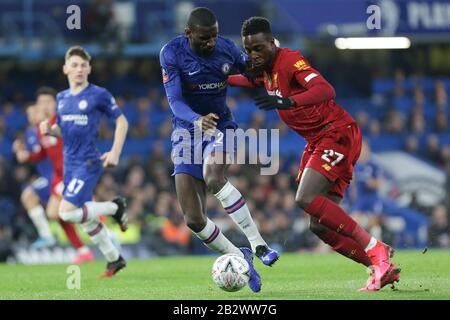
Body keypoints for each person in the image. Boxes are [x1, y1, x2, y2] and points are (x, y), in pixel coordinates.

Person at [228, 16, 400, 292]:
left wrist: (289, 101)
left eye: (259, 48)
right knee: (319, 225)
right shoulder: (267, 71)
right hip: (319, 140)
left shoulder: (289, 60)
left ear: (272, 43)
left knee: (305, 197)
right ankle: (379, 267)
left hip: (336, 133)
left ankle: (375, 246)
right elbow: (247, 81)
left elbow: (325, 89)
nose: (254, 54)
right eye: (249, 50)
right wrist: (217, 78)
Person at [159, 7, 279, 293]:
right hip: (187, 132)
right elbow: (174, 101)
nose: (211, 42)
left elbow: (253, 72)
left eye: (213, 36)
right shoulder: (171, 53)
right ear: (189, 34)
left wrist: (275, 63)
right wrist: (195, 120)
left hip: (221, 126)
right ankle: (242, 260)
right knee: (194, 219)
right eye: (204, 38)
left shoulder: (226, 49)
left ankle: (258, 244)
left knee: (214, 178)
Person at [40, 46, 129, 277]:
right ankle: (114, 259)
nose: (79, 69)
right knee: (86, 220)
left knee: (67, 213)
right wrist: (51, 131)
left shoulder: (98, 94)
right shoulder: (61, 98)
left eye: (83, 65)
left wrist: (115, 152)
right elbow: (65, 129)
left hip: (88, 163)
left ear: (89, 68)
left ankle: (115, 207)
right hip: (69, 166)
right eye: (74, 65)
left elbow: (122, 122)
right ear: (65, 68)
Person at [14, 93, 94, 264]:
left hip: (69, 173)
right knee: (58, 214)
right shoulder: (41, 128)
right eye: (40, 103)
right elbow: (41, 153)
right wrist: (26, 156)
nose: (42, 107)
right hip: (57, 177)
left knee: (53, 210)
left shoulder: (61, 121)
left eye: (46, 103)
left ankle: (91, 237)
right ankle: (85, 246)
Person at [14, 104, 55, 249]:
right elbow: (34, 157)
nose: (31, 116)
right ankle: (46, 236)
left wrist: (25, 154)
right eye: (28, 114)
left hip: (56, 175)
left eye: (34, 112)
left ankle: (47, 236)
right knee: (70, 213)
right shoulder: (30, 133)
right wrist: (21, 152)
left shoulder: (48, 129)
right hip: (46, 176)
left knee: (28, 195)